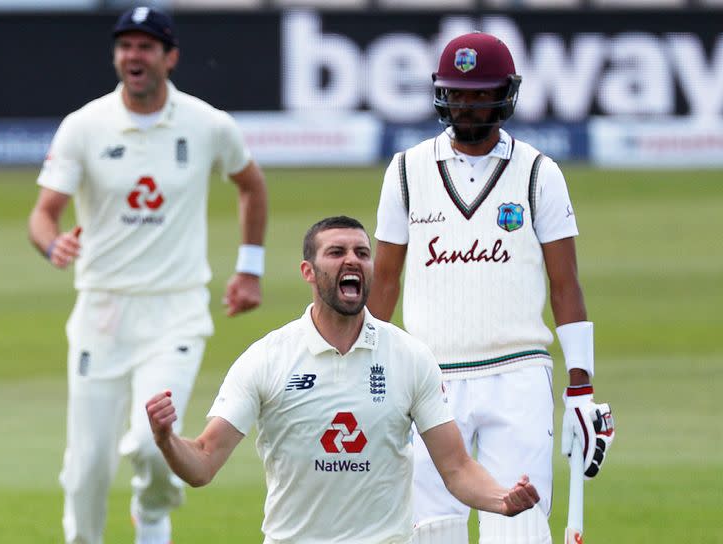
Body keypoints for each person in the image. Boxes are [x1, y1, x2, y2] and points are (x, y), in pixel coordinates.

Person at [146, 216, 541, 544]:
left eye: (362, 253)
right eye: (336, 253)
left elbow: (456, 467)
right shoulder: (267, 358)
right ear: (309, 271)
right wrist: (166, 439)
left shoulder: (410, 357)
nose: (352, 260)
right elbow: (202, 464)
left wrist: (500, 499)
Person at [27, 6, 268, 544]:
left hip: (175, 311)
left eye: (146, 46)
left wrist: (249, 269)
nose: (133, 56)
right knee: (88, 464)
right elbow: (43, 213)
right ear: (116, 56)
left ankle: (153, 514)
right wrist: (54, 244)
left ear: (169, 56)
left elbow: (251, 184)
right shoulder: (85, 126)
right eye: (125, 46)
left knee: (150, 440)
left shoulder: (207, 124)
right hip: (102, 313)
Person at [368, 32, 615, 544]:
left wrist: (582, 389)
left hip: (518, 373)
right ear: (441, 93)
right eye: (458, 92)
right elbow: (385, 281)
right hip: (428, 375)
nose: (468, 103)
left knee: (520, 527)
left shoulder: (539, 173)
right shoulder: (406, 172)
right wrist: (363, 368)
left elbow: (565, 285)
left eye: (481, 92)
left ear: (506, 92)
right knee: (431, 530)